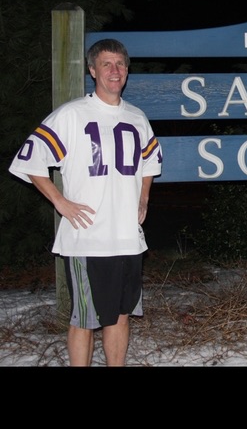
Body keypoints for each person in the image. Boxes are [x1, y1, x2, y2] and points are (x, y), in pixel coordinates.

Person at [9, 38, 162, 366]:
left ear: (127, 70)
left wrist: (144, 197)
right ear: (92, 70)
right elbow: (29, 160)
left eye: (120, 64)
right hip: (88, 238)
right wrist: (60, 201)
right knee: (85, 319)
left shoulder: (137, 117)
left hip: (127, 238)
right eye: (106, 64)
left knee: (120, 315)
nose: (114, 70)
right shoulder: (72, 114)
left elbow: (150, 161)